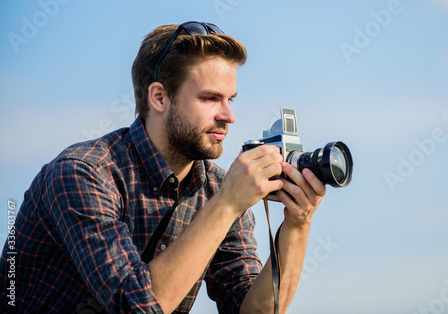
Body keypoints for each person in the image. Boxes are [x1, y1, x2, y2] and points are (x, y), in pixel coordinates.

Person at [0, 21, 326, 313]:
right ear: (159, 97)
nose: (229, 116)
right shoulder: (83, 174)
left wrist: (297, 224)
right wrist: (226, 205)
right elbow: (137, 306)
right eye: (210, 99)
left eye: (231, 99)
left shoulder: (218, 188)